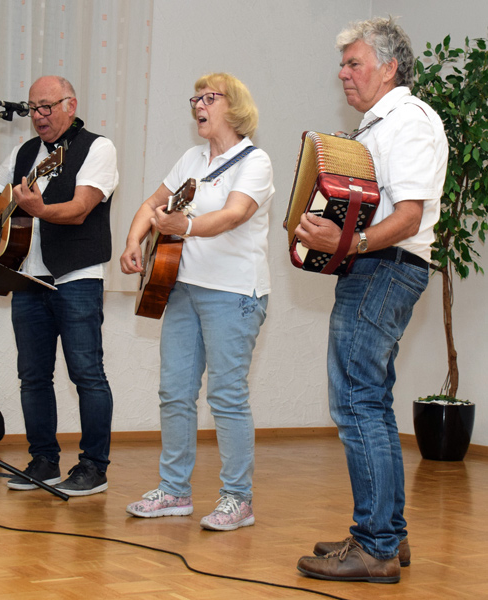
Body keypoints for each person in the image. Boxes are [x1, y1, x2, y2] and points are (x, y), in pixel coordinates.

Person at [295, 18, 448, 582]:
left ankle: (376, 545)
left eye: (353, 63)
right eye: (342, 64)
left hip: (384, 268)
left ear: (388, 67)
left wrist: (348, 242)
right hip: (378, 267)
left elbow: (407, 215)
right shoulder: (381, 123)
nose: (342, 74)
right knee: (371, 403)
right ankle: (387, 532)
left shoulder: (406, 120)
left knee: (358, 403)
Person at [120, 73, 274, 531]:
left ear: (236, 106)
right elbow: (153, 203)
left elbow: (234, 214)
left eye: (210, 98)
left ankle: (237, 499)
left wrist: (181, 227)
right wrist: (134, 240)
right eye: (196, 99)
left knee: (226, 397)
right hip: (183, 287)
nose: (199, 106)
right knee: (175, 392)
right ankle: (174, 491)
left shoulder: (256, 161)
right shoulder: (191, 158)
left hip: (234, 293)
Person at [0, 76, 118, 496]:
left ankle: (93, 467)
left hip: (76, 277)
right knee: (32, 376)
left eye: (47, 107)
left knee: (87, 374)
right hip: (27, 276)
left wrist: (40, 208)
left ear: (70, 105)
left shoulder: (98, 147)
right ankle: (44, 461)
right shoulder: (25, 153)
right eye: (33, 108)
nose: (39, 116)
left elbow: (79, 209)